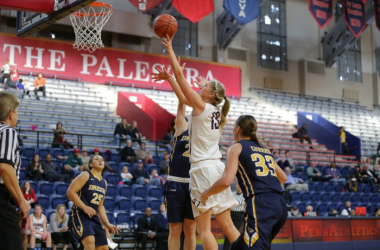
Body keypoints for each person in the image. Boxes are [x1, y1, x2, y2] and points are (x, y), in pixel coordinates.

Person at [155, 35, 241, 250]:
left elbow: (180, 78)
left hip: (202, 171)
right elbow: (186, 98)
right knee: (228, 225)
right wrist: (205, 86)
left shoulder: (202, 107)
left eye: (204, 88)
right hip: (217, 169)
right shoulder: (215, 111)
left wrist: (170, 50)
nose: (199, 88)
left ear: (210, 94)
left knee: (204, 230)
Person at [199, 115, 288, 250]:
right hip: (280, 203)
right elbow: (283, 178)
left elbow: (226, 181)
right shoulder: (264, 150)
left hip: (261, 203)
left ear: (238, 129)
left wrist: (206, 193)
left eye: (234, 126)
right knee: (240, 246)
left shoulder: (237, 147)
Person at [67, 154, 119, 249]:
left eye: (102, 159)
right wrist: (85, 207)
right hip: (80, 214)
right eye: (97, 159)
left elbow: (100, 206)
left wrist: (107, 224)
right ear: (90, 164)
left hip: (94, 217)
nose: (100, 161)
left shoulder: (104, 182)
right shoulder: (86, 174)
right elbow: (70, 192)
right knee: (90, 242)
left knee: (104, 247)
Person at [0, 92, 30, 249]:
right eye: (17, 112)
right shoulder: (7, 131)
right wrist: (21, 200)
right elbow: (4, 167)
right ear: (11, 113)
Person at [223, 182, 245, 250]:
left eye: (240, 186)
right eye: (238, 185)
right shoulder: (232, 194)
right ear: (236, 186)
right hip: (231, 215)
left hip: (240, 216)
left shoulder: (245, 195)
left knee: (235, 234)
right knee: (227, 234)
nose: (239, 187)